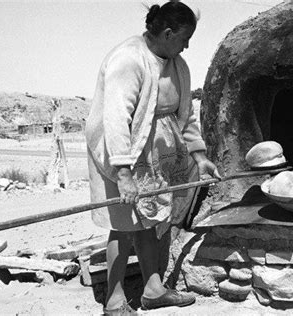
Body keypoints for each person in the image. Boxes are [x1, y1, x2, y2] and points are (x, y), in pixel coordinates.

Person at [85, 1, 220, 314]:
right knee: (123, 223)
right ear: (169, 32)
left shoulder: (178, 65)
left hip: (160, 153)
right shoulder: (128, 59)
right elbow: (116, 118)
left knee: (155, 219)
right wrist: (123, 173)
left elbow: (185, 116)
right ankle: (115, 300)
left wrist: (199, 156)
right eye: (185, 38)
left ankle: (153, 289)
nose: (187, 45)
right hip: (121, 149)